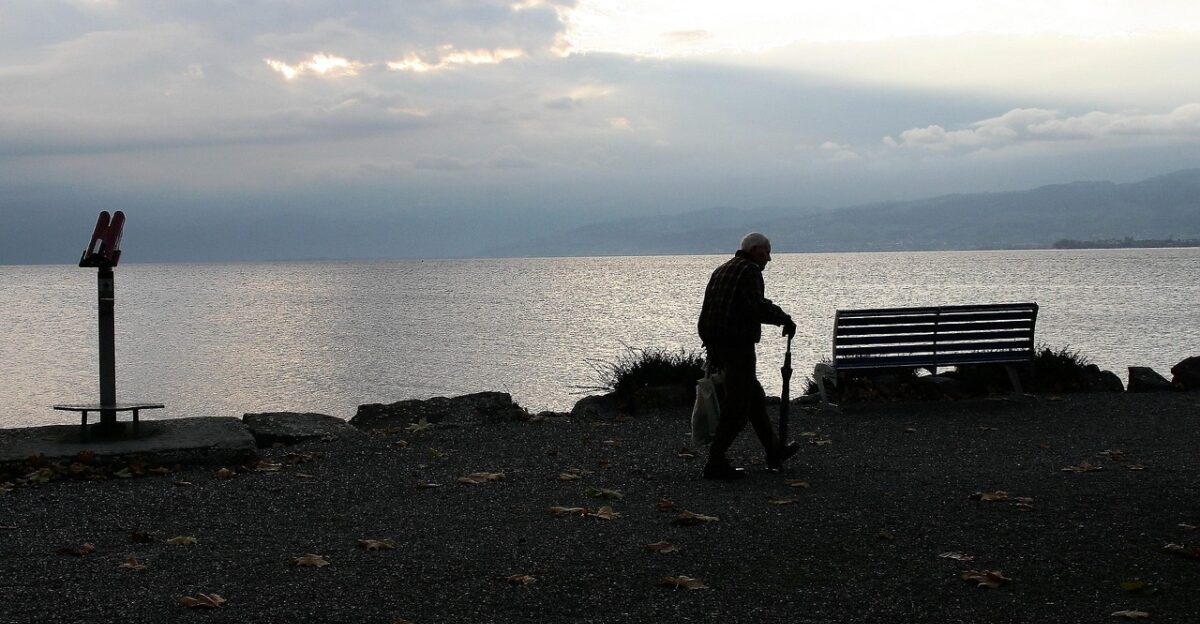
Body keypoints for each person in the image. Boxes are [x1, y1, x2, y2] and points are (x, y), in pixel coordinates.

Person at [697, 232, 799, 480]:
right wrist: (783, 319)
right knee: (738, 405)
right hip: (737, 345)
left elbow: (709, 309)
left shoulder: (722, 269)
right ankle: (715, 460)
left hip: (716, 343)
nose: (769, 259)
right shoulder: (750, 271)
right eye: (767, 252)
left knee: (754, 398)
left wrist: (711, 347)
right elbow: (755, 307)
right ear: (755, 251)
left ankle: (773, 450)